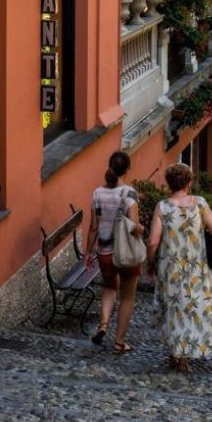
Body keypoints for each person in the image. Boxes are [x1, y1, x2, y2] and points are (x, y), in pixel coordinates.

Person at [146, 163, 212, 373]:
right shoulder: (199, 204)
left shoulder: (162, 207)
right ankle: (185, 353)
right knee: (193, 308)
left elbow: (153, 241)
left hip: (170, 268)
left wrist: (150, 262)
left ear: (169, 184)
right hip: (196, 269)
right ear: (189, 183)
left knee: (174, 310)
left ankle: (177, 353)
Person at [85, 151, 144, 352]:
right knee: (127, 297)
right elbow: (133, 225)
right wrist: (143, 229)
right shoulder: (129, 194)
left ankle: (103, 325)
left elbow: (93, 226)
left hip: (104, 252)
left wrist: (87, 253)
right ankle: (119, 342)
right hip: (125, 252)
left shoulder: (97, 193)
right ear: (127, 169)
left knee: (109, 287)